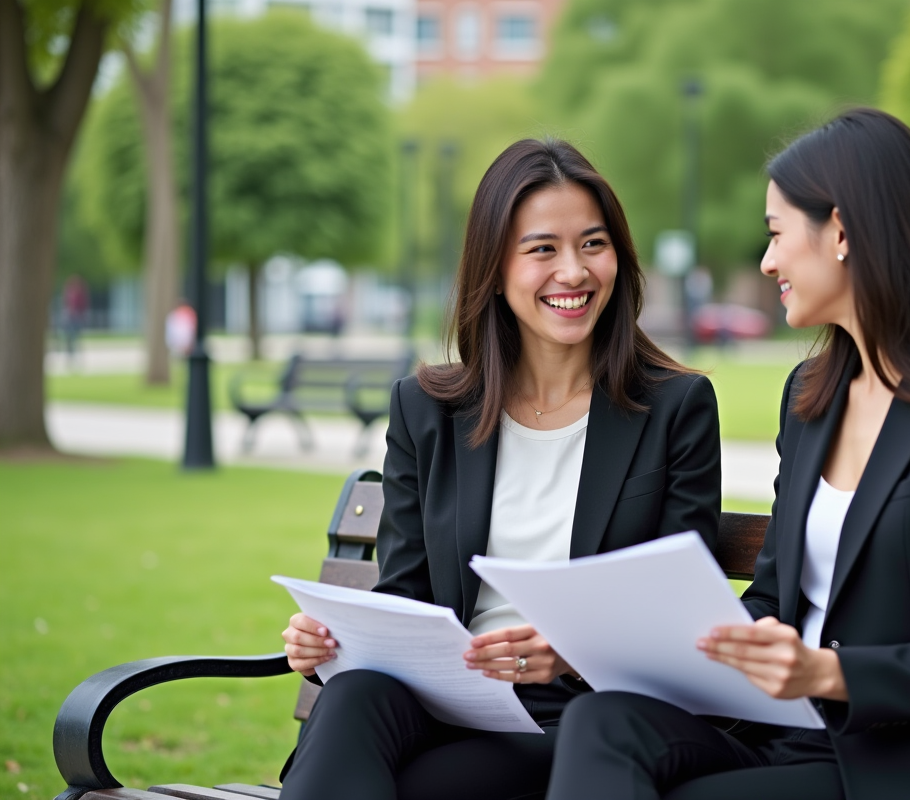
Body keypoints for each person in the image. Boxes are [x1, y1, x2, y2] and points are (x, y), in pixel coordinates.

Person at [545, 108, 910, 800]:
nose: (767, 261)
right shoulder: (811, 396)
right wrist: (618, 643)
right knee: (602, 722)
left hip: (903, 760)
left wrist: (828, 674)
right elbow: (773, 599)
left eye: (777, 234)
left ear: (842, 232)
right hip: (783, 735)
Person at [277, 138, 722, 800]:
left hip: (579, 719)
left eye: (592, 245)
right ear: (494, 267)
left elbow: (677, 620)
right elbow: (406, 591)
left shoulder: (673, 408)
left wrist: (567, 652)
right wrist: (333, 642)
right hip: (443, 702)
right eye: (542, 249)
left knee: (407, 783)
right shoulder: (428, 408)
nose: (572, 272)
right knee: (353, 697)